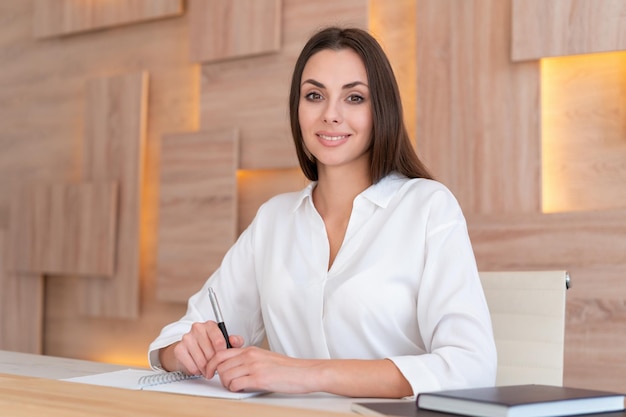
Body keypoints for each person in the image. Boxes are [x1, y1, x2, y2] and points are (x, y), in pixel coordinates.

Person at [148, 26, 497, 399]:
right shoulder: (274, 220)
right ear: (297, 109)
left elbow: (471, 367)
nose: (331, 115)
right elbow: (175, 337)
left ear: (381, 109)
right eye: (314, 95)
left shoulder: (428, 207)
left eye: (354, 98)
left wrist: (303, 374)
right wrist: (182, 352)